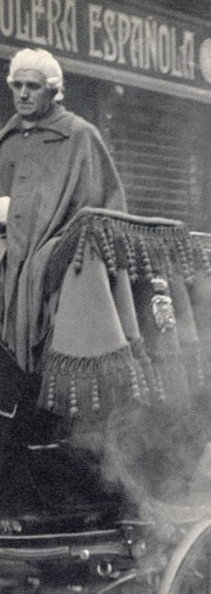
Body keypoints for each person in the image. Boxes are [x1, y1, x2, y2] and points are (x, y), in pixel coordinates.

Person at [0, 48, 127, 373]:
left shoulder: (80, 137)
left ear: (53, 90)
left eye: (34, 86)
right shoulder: (6, 140)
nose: (24, 93)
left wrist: (56, 255)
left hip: (60, 278)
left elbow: (107, 213)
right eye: (18, 85)